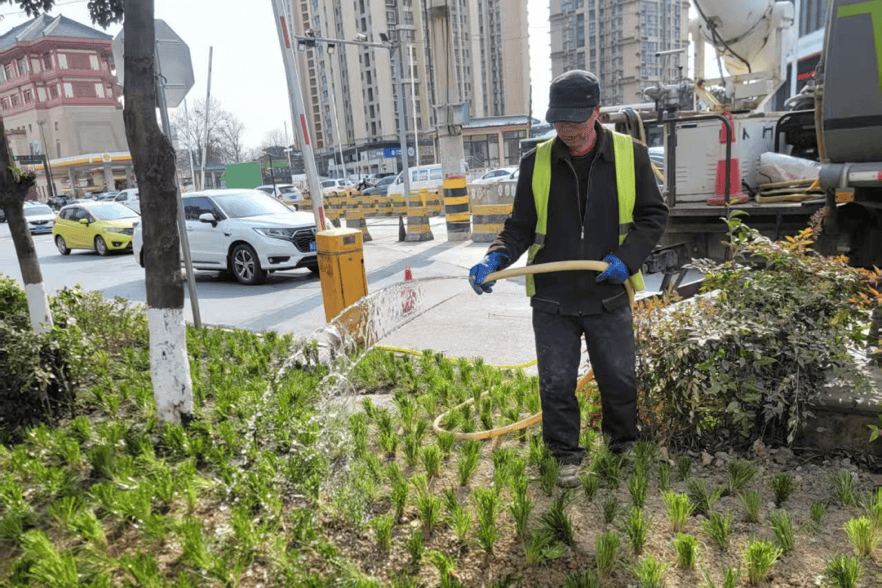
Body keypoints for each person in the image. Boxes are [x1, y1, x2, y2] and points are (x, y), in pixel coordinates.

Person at [468, 70, 669, 487]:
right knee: (557, 381)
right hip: (553, 295)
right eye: (560, 122)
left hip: (607, 288)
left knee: (618, 376)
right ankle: (564, 454)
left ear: (597, 113)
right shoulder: (536, 162)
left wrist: (627, 259)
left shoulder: (630, 155)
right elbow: (519, 226)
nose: (568, 131)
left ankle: (623, 445)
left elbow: (653, 216)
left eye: (577, 122)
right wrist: (495, 257)